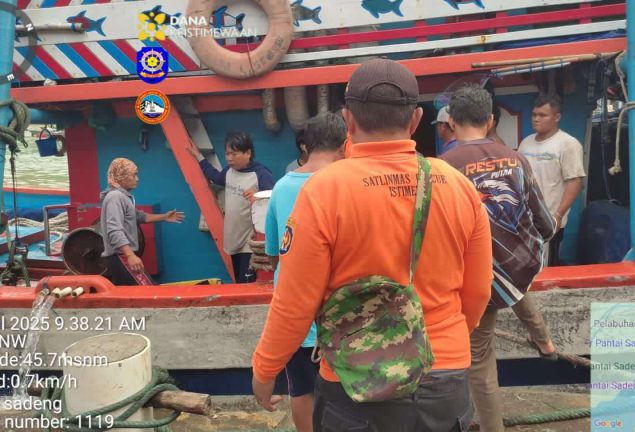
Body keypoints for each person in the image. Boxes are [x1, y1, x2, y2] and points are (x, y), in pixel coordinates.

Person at [251, 58, 492, 431]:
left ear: (348, 120)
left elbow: (294, 302)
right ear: (415, 120)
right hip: (444, 372)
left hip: (355, 378)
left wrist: (265, 369)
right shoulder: (456, 185)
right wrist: (447, 337)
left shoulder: (323, 192)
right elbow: (478, 291)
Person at [441, 87, 558, 432]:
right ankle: (545, 342)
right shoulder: (515, 158)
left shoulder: (443, 168)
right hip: (516, 264)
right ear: (491, 120)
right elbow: (544, 222)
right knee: (513, 280)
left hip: (474, 276)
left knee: (479, 361)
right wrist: (535, 238)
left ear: (451, 122)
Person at [265, 112, 347, 432]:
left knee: (301, 391)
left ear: (305, 146)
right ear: (344, 145)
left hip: (296, 318)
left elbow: (275, 255)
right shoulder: (348, 184)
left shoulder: (281, 188)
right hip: (345, 316)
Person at [189, 132, 274, 283]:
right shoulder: (229, 171)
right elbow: (214, 177)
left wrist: (259, 194)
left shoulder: (261, 173)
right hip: (232, 238)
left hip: (250, 241)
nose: (229, 158)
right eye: (227, 154)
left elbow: (274, 198)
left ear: (248, 153)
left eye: (234, 154)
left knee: (246, 284)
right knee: (239, 282)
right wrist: (199, 156)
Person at [518, 95, 586, 266]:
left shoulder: (568, 144)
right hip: (525, 219)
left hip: (550, 220)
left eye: (542, 115)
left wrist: (558, 215)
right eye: (534, 114)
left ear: (557, 117)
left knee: (547, 265)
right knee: (527, 265)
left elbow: (575, 181)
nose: (536, 119)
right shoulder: (526, 143)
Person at [100, 158, 184, 285]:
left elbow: (139, 216)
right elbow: (114, 230)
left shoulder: (122, 197)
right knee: (148, 291)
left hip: (122, 256)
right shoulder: (115, 197)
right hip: (120, 257)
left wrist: (164, 217)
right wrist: (130, 255)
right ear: (121, 177)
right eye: (134, 175)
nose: (137, 179)